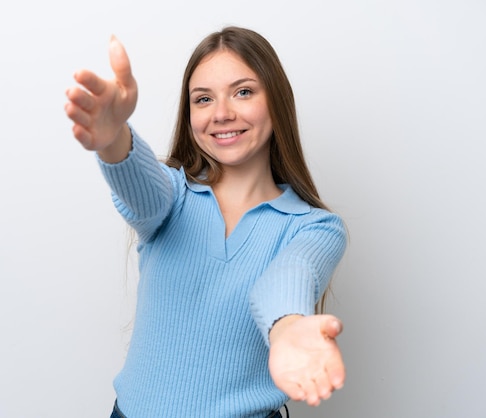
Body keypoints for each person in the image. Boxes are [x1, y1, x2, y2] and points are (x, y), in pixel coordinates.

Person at [65, 26, 347, 418]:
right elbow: (142, 189)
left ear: (277, 101)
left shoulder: (314, 227)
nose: (222, 114)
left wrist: (287, 329)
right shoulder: (174, 194)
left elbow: (287, 276)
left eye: (244, 92)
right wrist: (114, 138)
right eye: (203, 99)